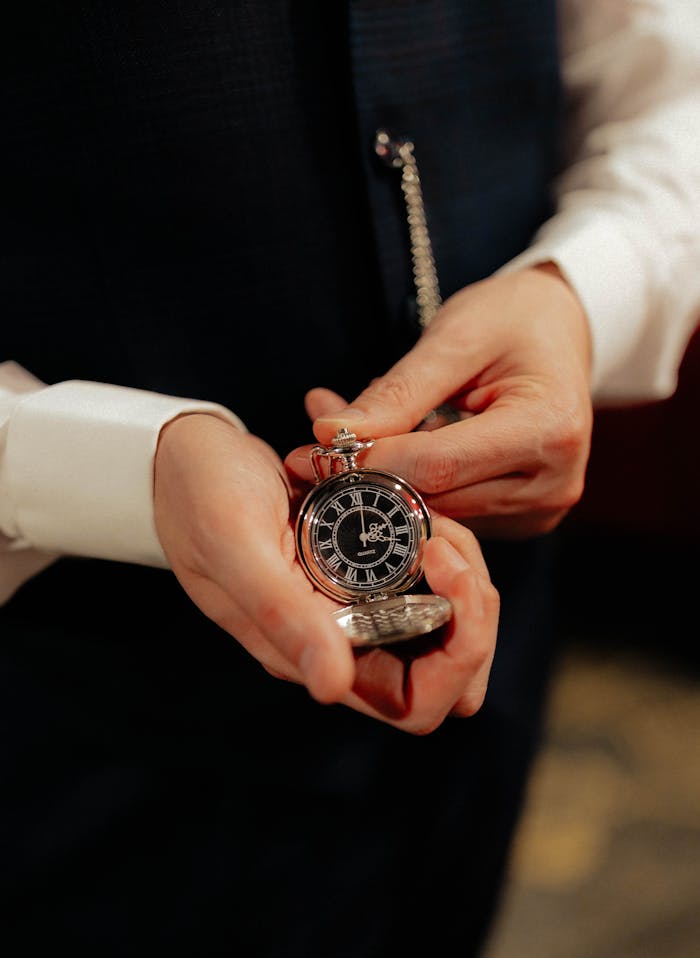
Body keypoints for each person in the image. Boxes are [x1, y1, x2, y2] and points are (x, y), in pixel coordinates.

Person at [1, 1, 699, 955]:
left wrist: (581, 291)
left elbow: (669, 71)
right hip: (66, 737)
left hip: (491, 679)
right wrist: (113, 465)